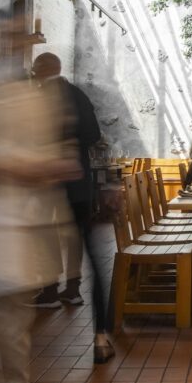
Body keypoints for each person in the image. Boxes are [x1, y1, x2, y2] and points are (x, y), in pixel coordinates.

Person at [0, 22, 80, 383]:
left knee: (14, 315)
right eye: (10, 37)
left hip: (14, 222)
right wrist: (31, 165)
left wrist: (51, 162)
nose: (17, 45)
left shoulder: (26, 94)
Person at [31, 53, 116, 365]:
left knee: (46, 236)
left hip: (45, 184)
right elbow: (95, 136)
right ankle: (96, 328)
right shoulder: (78, 94)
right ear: (60, 67)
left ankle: (51, 290)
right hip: (79, 184)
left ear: (40, 70)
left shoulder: (36, 97)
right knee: (85, 247)